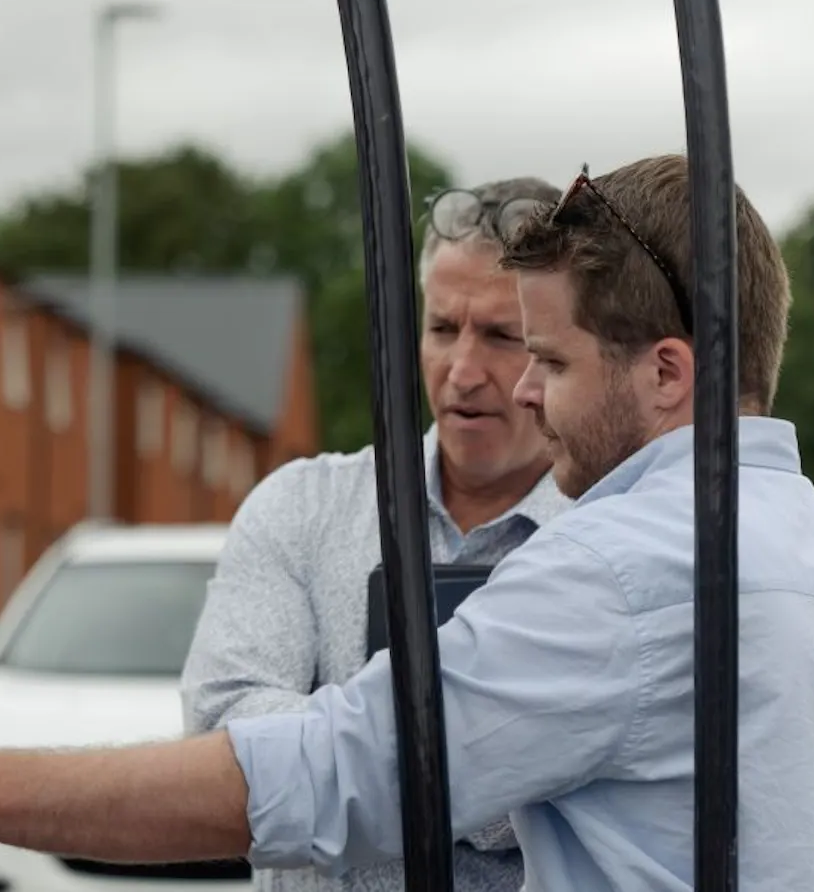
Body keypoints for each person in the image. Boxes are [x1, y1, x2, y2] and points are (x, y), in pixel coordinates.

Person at [0, 153, 814, 892]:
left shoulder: (618, 571)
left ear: (670, 374)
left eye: (552, 361)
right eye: (451, 330)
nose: (519, 392)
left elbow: (338, 770)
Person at [179, 175, 571, 892]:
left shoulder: (611, 533)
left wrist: (330, 773)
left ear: (556, 344)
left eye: (501, 337)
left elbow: (627, 777)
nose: (462, 371)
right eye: (443, 328)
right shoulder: (302, 508)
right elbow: (223, 733)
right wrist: (497, 769)